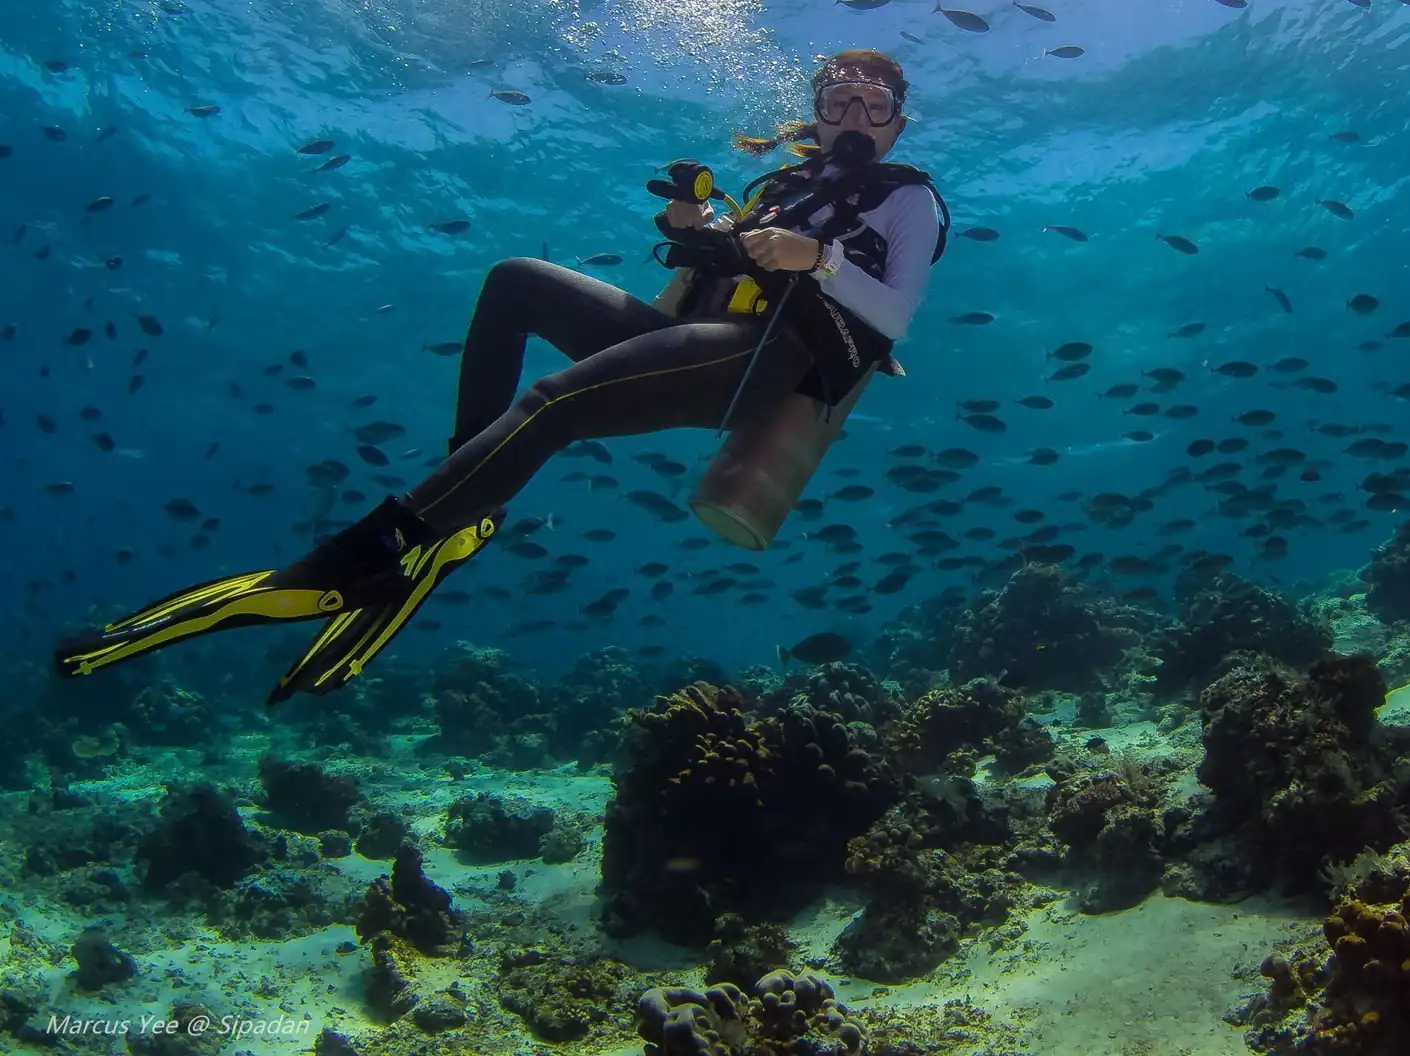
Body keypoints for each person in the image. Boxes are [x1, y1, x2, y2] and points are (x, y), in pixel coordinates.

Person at [53, 50, 948, 703]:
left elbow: (898, 313)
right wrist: (693, 224)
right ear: (817, 111)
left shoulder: (911, 198)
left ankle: (367, 555)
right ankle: (457, 514)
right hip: (700, 337)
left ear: (899, 122)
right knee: (516, 280)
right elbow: (695, 286)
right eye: (839, 101)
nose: (855, 118)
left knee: (557, 404)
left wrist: (818, 259)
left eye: (876, 106)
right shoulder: (779, 186)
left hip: (775, 365)